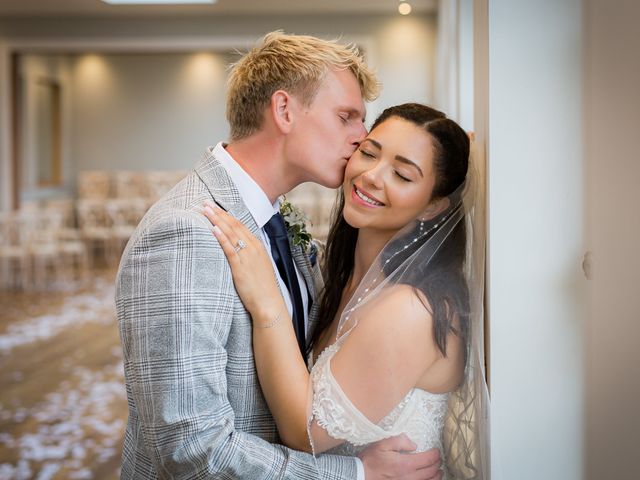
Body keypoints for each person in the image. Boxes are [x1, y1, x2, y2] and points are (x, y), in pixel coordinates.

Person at [116, 32, 445, 479]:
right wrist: (353, 474)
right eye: (347, 116)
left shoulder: (276, 223)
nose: (362, 137)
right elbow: (189, 448)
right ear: (285, 110)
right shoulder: (187, 232)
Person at [203, 103, 489, 479]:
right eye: (368, 152)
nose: (371, 175)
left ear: (433, 206)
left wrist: (267, 302)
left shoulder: (411, 309)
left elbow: (304, 431)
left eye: (402, 175)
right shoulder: (342, 276)